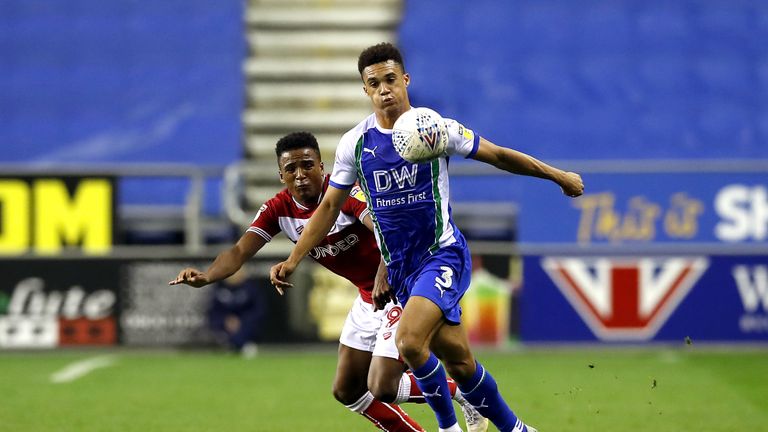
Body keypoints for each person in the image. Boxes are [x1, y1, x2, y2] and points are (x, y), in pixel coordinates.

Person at [270, 43, 584, 432]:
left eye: (390, 79)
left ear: (405, 80)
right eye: (374, 83)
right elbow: (329, 208)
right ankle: (518, 429)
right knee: (461, 365)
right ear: (365, 90)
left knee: (409, 342)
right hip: (403, 270)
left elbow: (499, 155)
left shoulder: (436, 130)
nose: (384, 89)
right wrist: (295, 257)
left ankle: (447, 428)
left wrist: (558, 175)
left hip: (441, 255)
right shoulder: (356, 144)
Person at [169, 132, 487, 432]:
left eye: (308, 165)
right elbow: (240, 251)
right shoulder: (278, 209)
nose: (300, 174)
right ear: (281, 175)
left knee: (383, 385)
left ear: (322, 166)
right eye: (290, 168)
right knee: (347, 390)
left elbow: (383, 230)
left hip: (401, 285)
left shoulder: (344, 192)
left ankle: (463, 394)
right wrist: (207, 276)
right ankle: (457, 395)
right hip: (369, 298)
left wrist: (383, 272)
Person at [206, 267, 263, 357]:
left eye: (237, 271)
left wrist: (240, 321)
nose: (234, 275)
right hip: (224, 324)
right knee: (217, 327)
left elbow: (257, 310)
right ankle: (231, 345)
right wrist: (226, 320)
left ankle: (240, 345)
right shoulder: (219, 288)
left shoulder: (250, 288)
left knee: (248, 325)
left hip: (244, 323)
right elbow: (213, 311)